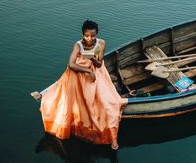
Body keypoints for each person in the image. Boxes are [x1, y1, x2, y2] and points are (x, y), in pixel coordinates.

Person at [38, 20, 128, 150]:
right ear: (83, 34)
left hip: (96, 71)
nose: (90, 39)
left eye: (92, 35)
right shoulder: (78, 45)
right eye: (87, 35)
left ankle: (112, 137)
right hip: (78, 73)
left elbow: (99, 63)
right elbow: (71, 64)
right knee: (71, 104)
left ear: (96, 34)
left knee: (108, 105)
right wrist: (87, 71)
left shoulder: (101, 43)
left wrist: (92, 58)